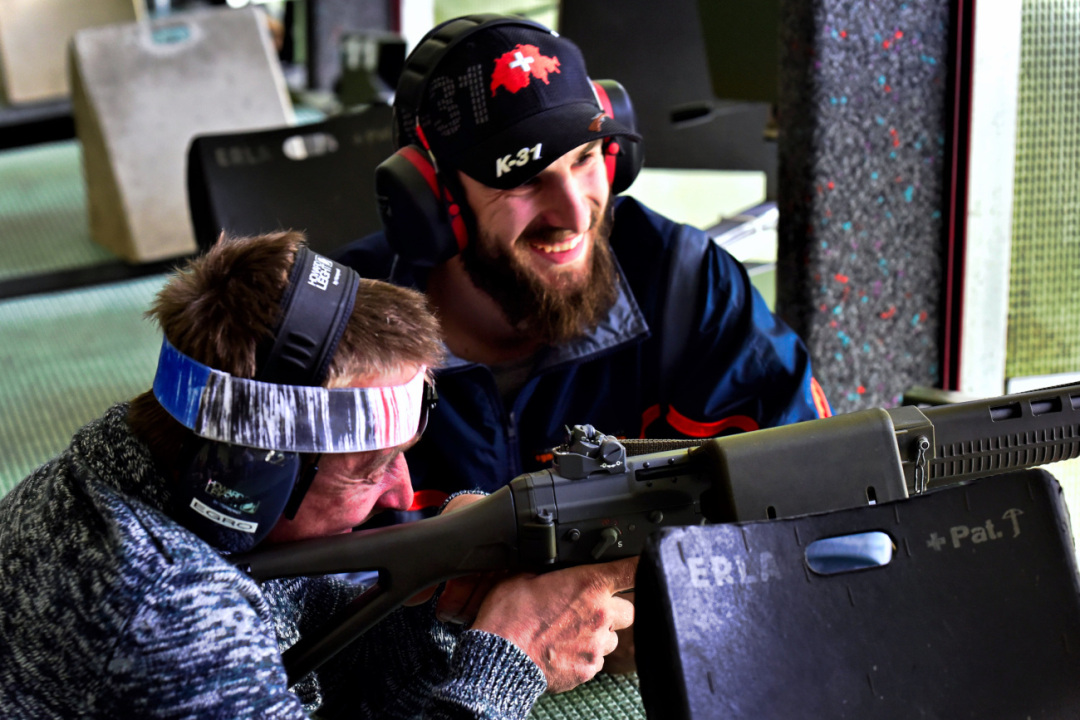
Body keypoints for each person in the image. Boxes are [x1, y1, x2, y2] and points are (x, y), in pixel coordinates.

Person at [0, 231, 637, 719]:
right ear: (250, 475)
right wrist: (510, 663)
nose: (402, 491)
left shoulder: (140, 468)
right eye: (369, 468)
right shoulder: (172, 609)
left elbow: (305, 671)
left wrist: (427, 605)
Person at [336, 14, 831, 517]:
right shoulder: (337, 336)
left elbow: (818, 496)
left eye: (585, 157)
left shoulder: (685, 287)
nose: (575, 214)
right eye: (524, 178)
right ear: (431, 200)